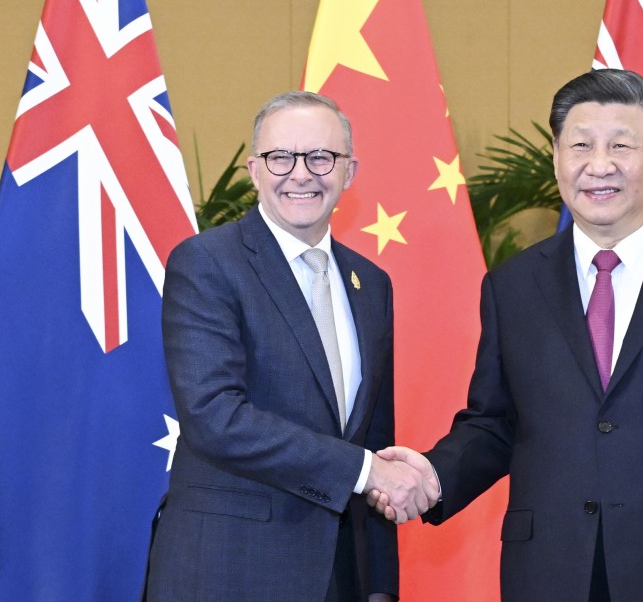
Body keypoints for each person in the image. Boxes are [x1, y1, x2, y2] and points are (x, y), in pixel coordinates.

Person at [373, 69, 643, 601]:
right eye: (580, 145)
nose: (599, 166)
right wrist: (436, 476)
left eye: (621, 145)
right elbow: (498, 423)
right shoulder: (512, 286)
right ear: (557, 157)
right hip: (550, 573)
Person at [143, 91, 438, 602]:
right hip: (228, 572)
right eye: (281, 157)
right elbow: (215, 417)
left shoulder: (371, 283)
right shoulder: (207, 263)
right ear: (255, 170)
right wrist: (367, 472)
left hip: (342, 576)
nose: (301, 174)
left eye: (321, 157)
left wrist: (381, 585)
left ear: (348, 172)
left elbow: (374, 435)